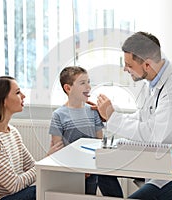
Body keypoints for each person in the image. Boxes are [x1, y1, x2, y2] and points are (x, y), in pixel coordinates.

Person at [96, 32, 172, 200]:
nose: (125, 69)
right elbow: (143, 116)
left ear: (147, 65)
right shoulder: (154, 81)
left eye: (129, 65)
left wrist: (113, 117)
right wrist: (111, 114)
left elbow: (152, 134)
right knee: (103, 171)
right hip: (159, 160)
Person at [48, 66, 123, 198]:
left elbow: (100, 143)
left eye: (89, 82)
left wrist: (89, 167)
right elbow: (57, 149)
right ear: (68, 88)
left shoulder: (93, 111)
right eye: (82, 83)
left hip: (92, 168)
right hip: (71, 171)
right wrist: (77, 170)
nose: (88, 87)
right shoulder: (58, 115)